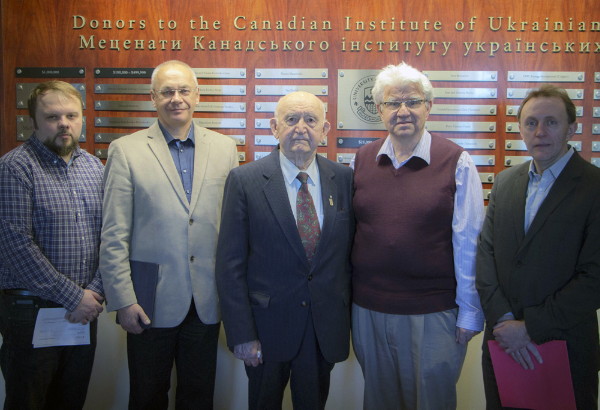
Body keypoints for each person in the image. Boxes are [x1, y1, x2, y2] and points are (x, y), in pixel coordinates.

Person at [100, 60, 238, 409]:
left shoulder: (225, 149)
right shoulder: (126, 150)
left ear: (197, 95)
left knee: (198, 396)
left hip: (206, 299)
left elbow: (233, 229)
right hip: (147, 300)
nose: (176, 99)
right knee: (147, 395)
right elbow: (114, 233)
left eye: (183, 91)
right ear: (152, 97)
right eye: (167, 92)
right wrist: (123, 299)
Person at [350, 62, 485, 410]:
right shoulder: (362, 160)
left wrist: (471, 313)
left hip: (434, 312)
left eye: (413, 101)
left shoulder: (457, 161)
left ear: (429, 105)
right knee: (379, 402)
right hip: (369, 311)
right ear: (379, 110)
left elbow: (469, 243)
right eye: (393, 103)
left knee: (432, 401)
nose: (403, 111)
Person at [215, 91, 354, 409]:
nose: (301, 127)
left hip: (322, 329)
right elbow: (230, 264)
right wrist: (241, 333)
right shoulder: (245, 180)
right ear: (274, 127)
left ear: (325, 129)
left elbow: (346, 259)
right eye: (291, 119)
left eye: (310, 120)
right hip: (266, 329)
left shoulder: (343, 179)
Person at [476, 84, 600, 409]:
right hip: (502, 341)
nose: (540, 132)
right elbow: (486, 257)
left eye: (551, 122)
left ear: (571, 128)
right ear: (521, 129)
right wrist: (504, 322)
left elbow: (595, 278)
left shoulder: (594, 187)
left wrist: (530, 328)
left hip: (563, 343)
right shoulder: (505, 183)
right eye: (531, 123)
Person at [0, 81, 104, 409]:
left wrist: (96, 291)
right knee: (28, 401)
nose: (64, 123)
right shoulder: (15, 167)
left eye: (72, 115)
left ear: (82, 118)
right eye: (52, 116)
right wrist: (74, 297)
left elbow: (110, 236)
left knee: (70, 400)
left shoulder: (94, 168)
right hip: (31, 312)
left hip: (84, 310)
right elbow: (15, 246)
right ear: (33, 122)